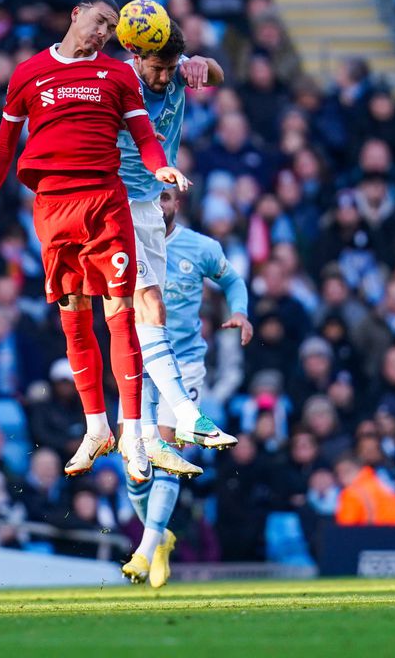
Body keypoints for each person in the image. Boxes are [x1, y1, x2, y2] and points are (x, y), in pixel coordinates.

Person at [0, 0, 191, 482]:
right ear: (75, 14)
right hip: (51, 206)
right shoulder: (28, 73)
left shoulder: (116, 75)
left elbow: (145, 135)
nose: (102, 32)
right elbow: (3, 146)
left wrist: (162, 168)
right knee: (72, 314)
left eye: (110, 28)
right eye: (98, 21)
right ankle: (96, 427)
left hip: (104, 204)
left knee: (120, 312)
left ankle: (133, 432)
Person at [118, 21, 237, 474]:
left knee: (147, 315)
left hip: (149, 202)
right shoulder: (120, 81)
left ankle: (146, 435)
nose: (165, 78)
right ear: (137, 58)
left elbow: (217, 75)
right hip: (118, 201)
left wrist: (204, 64)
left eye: (171, 68)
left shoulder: (178, 68)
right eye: (158, 68)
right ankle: (171, 422)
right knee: (144, 307)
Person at [121, 188, 251, 585]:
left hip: (185, 366)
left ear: (177, 204)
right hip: (136, 362)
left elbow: (232, 281)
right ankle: (159, 535)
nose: (159, 206)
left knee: (167, 452)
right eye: (152, 199)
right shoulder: (125, 242)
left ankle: (144, 550)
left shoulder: (200, 247)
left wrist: (241, 312)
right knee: (135, 466)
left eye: (166, 198)